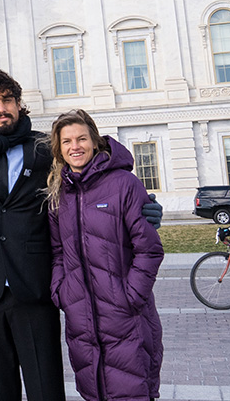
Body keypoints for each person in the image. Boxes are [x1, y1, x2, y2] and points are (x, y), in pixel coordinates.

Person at [0, 67, 161, 401]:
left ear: (19, 104)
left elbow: (89, 182)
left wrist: (145, 208)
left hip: (35, 282)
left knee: (44, 385)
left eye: (7, 100)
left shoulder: (46, 148)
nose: (1, 107)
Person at [47, 109, 164, 401]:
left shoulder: (124, 183)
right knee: (93, 390)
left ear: (95, 141)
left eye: (82, 138)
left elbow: (149, 248)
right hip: (81, 318)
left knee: (132, 391)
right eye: (67, 141)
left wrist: (131, 296)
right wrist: (62, 292)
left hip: (125, 314)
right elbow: (58, 251)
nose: (75, 146)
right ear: (59, 150)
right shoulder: (59, 193)